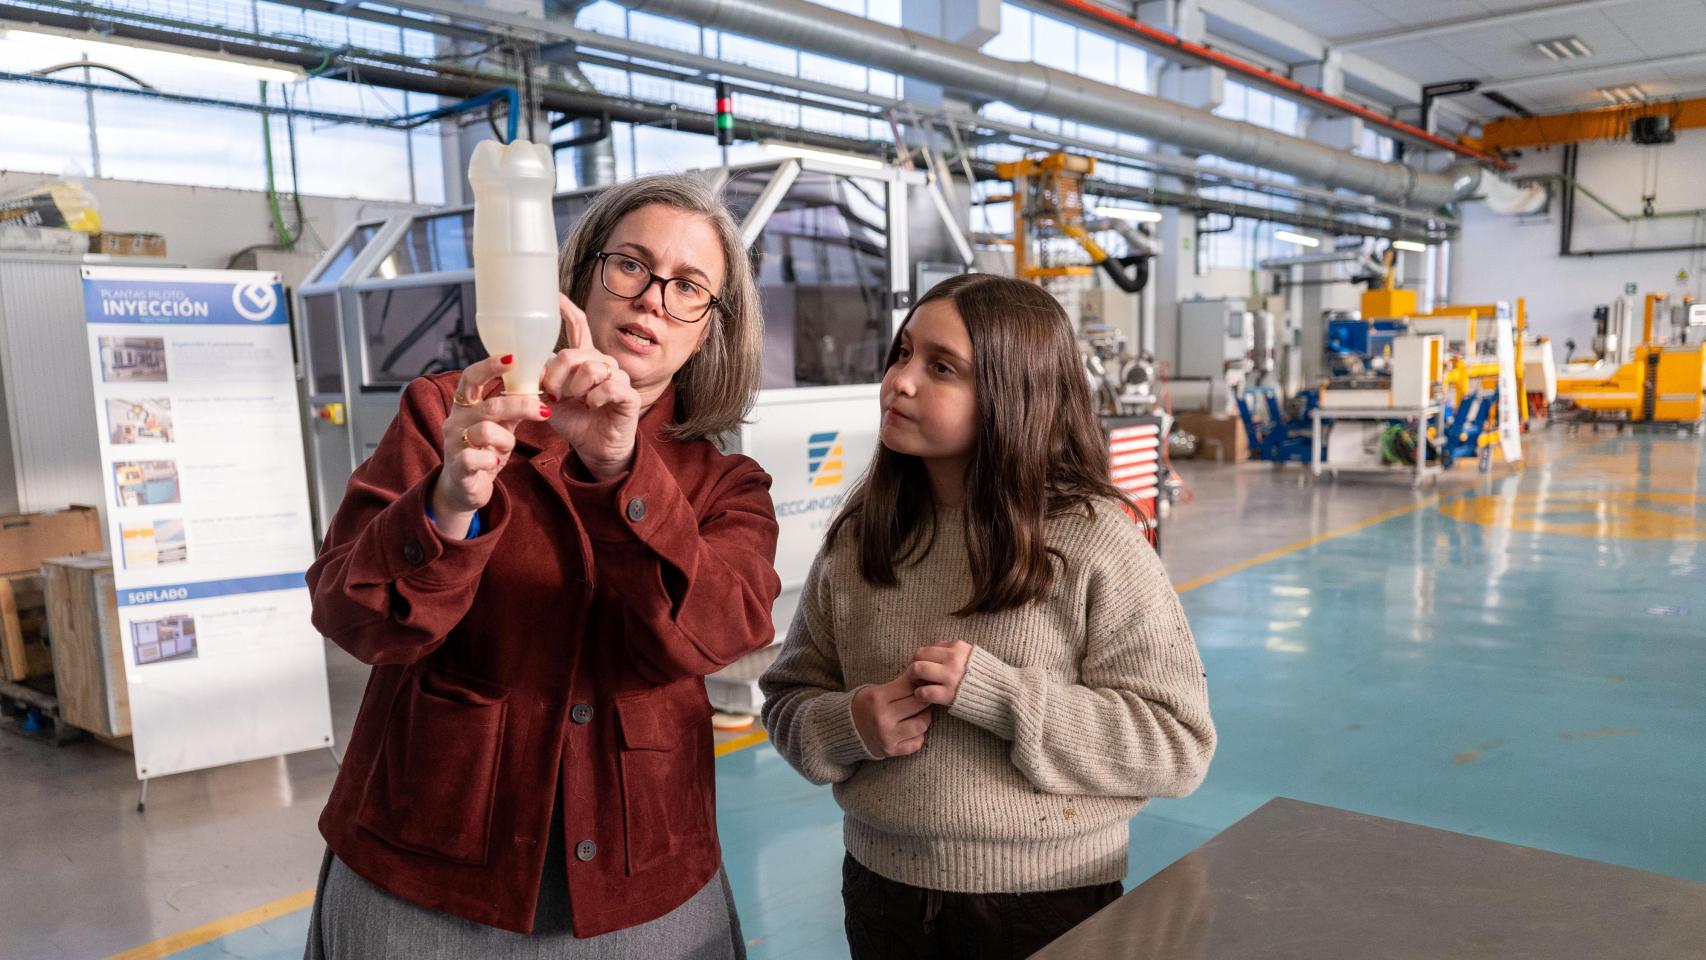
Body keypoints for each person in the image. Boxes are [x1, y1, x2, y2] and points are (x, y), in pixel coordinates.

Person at [302, 173, 779, 958]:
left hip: (642, 875)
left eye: (689, 286)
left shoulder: (726, 484)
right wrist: (447, 501)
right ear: (582, 274)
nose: (653, 298)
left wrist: (622, 468)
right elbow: (354, 617)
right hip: (430, 865)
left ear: (711, 329)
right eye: (631, 265)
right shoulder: (453, 415)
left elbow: (716, 633)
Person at [758, 273, 1216, 959]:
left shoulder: (1095, 543)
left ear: (1012, 394)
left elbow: (1177, 744)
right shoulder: (861, 537)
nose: (900, 381)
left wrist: (1004, 698)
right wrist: (850, 725)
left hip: (1048, 903)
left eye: (941, 368)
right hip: (884, 897)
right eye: (903, 353)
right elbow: (789, 698)